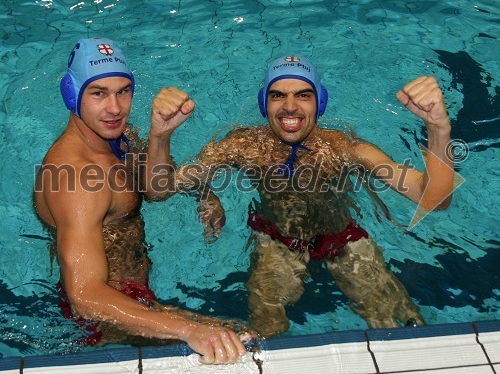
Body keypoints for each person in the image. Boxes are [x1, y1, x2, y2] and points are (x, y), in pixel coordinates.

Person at [159, 56, 455, 338]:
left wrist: (438, 128)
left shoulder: (345, 149)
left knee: (400, 326)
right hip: (277, 241)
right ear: (264, 103)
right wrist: (200, 187)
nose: (290, 107)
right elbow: (164, 187)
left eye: (303, 95)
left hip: (342, 239)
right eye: (277, 96)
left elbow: (434, 200)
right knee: (266, 330)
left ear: (319, 102)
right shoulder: (243, 146)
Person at [34, 38, 251, 364]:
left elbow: (156, 190)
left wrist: (161, 137)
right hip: (104, 320)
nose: (115, 107)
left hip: (133, 299)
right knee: (243, 340)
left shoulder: (115, 135)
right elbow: (85, 297)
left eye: (123, 91)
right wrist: (190, 330)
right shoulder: (77, 177)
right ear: (71, 94)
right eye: (99, 93)